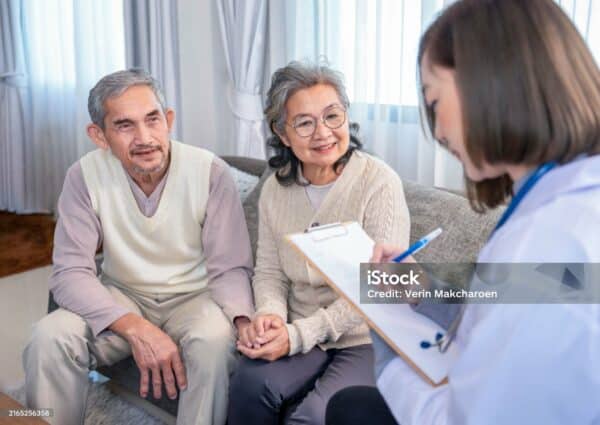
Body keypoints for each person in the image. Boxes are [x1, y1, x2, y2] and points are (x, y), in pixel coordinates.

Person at [326, 0, 600, 424]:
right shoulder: (570, 206)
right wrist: (421, 290)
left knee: (351, 410)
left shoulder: (548, 238)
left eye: (434, 101)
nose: (437, 132)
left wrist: (390, 345)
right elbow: (522, 296)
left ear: (491, 83)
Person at [23, 69, 255, 425]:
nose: (145, 138)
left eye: (152, 119)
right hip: (122, 295)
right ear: (99, 136)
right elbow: (70, 272)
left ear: (169, 120)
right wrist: (135, 328)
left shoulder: (211, 172)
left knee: (214, 344)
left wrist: (242, 319)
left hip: (196, 297)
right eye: (125, 125)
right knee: (49, 336)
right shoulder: (82, 177)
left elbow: (230, 267)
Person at [227, 61, 411, 425]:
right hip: (299, 325)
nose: (323, 133)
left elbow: (381, 287)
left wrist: (297, 336)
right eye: (305, 123)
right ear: (283, 132)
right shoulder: (275, 189)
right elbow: (270, 271)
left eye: (332, 116)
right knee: (248, 385)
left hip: (365, 336)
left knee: (317, 417)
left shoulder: (379, 183)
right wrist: (270, 318)